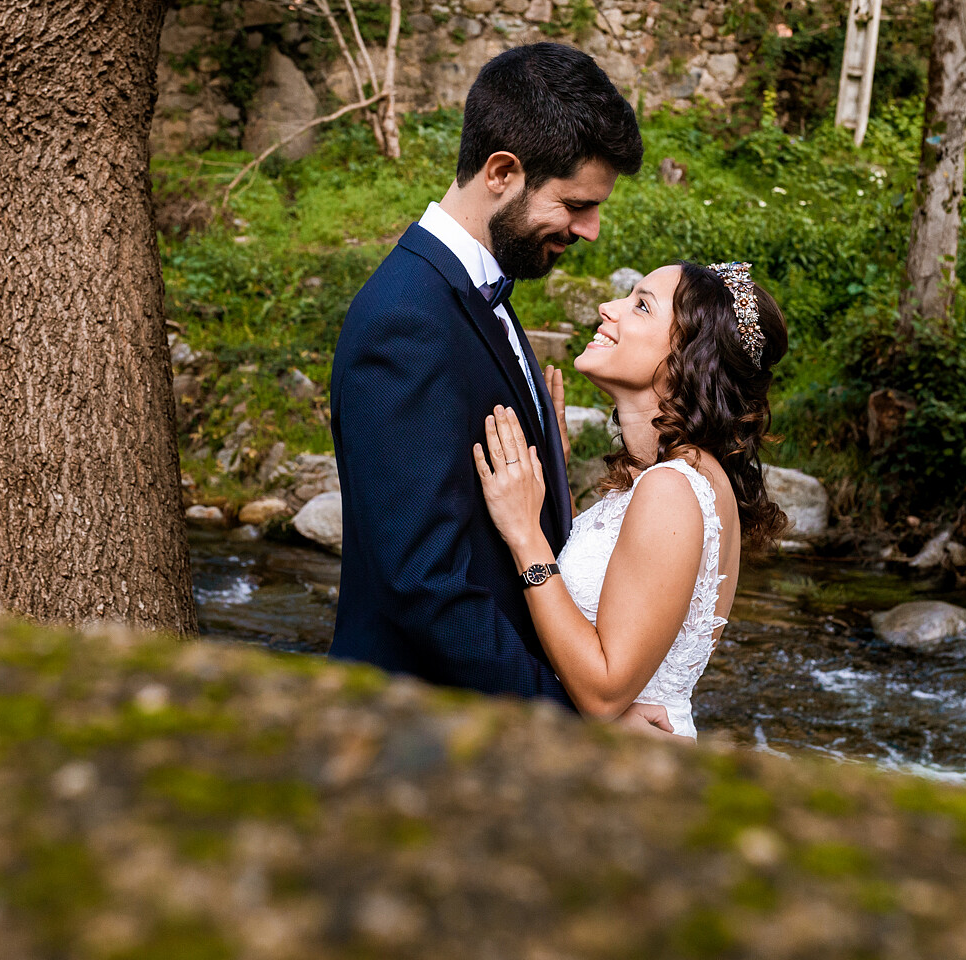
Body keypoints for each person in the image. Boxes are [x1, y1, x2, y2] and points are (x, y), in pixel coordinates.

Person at [328, 42, 643, 708]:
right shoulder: (406, 320)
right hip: (424, 730)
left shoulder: (471, 293)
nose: (589, 230)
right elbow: (424, 584)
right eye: (576, 203)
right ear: (502, 171)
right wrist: (567, 719)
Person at [472, 261, 789, 738]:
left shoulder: (673, 488)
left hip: (623, 769)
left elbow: (602, 693)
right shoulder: (672, 478)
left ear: (688, 358)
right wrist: (553, 476)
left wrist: (524, 536)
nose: (608, 307)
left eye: (641, 305)